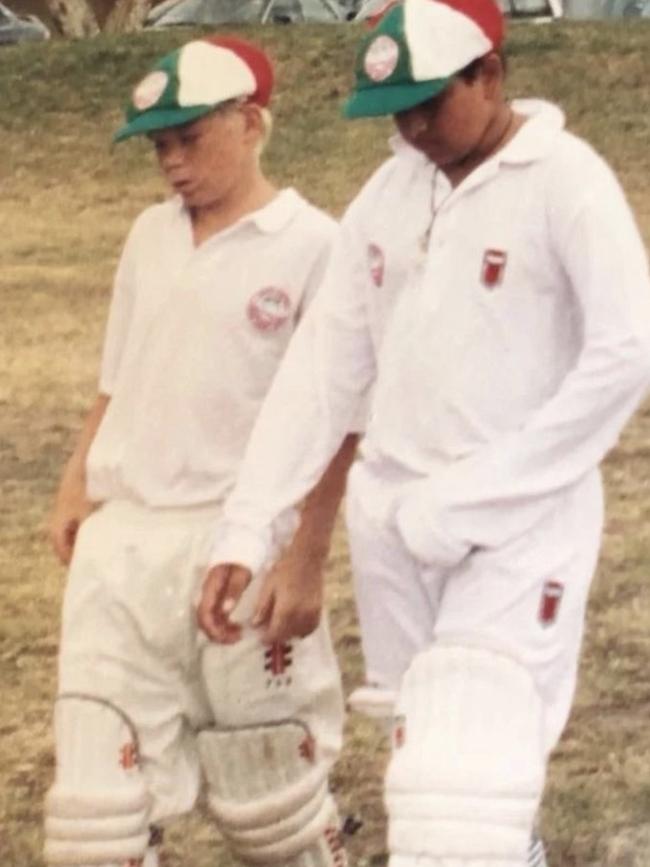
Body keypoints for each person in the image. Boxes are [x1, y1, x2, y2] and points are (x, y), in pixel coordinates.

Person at [197, 1, 650, 865]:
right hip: (393, 524)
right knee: (429, 783)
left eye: (429, 103)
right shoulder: (391, 189)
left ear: (489, 74)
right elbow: (325, 368)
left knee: (464, 790)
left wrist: (482, 492)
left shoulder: (565, 179)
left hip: (521, 530)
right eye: (395, 110)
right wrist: (250, 526)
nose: (410, 127)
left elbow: (627, 353)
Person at [45, 34, 358, 867]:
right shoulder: (150, 234)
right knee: (92, 818)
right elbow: (117, 376)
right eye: (160, 146)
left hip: (236, 541)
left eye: (190, 139)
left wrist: (306, 555)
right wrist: (78, 481)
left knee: (271, 805)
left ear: (251, 122)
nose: (172, 163)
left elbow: (337, 417)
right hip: (125, 541)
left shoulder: (312, 243)